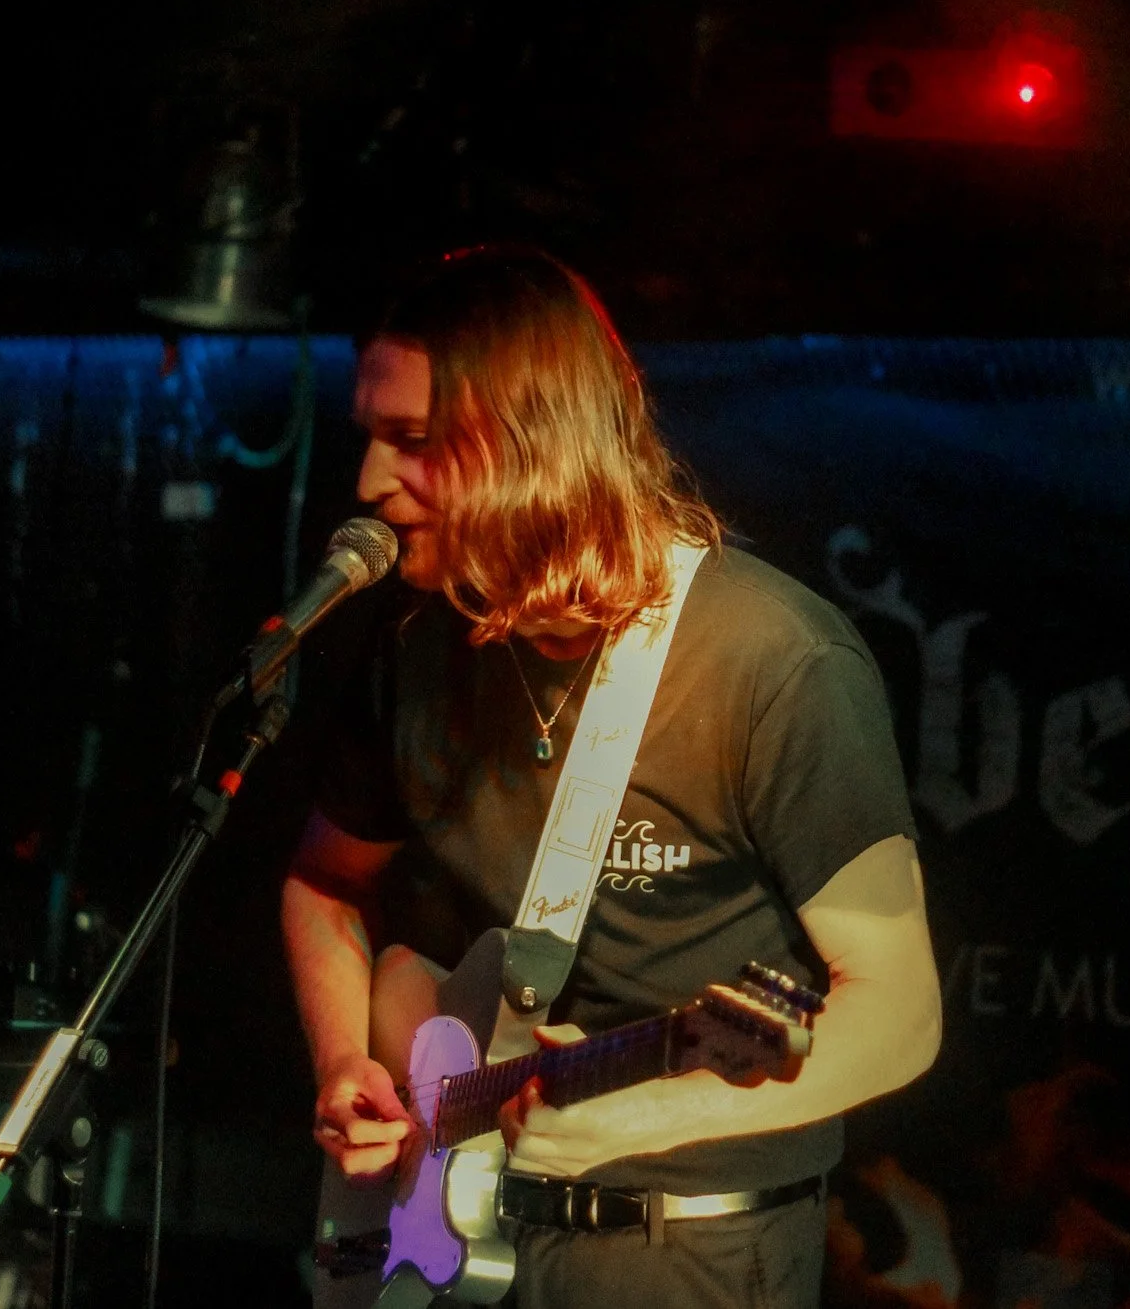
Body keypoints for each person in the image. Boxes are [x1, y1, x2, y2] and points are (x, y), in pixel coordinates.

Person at [282, 245, 941, 1309]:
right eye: (369, 434)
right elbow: (323, 882)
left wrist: (643, 1116)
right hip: (464, 1237)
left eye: (413, 441)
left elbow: (900, 1012)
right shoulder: (420, 647)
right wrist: (341, 1065)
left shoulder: (773, 662)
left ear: (531, 439)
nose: (367, 482)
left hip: (686, 1255)